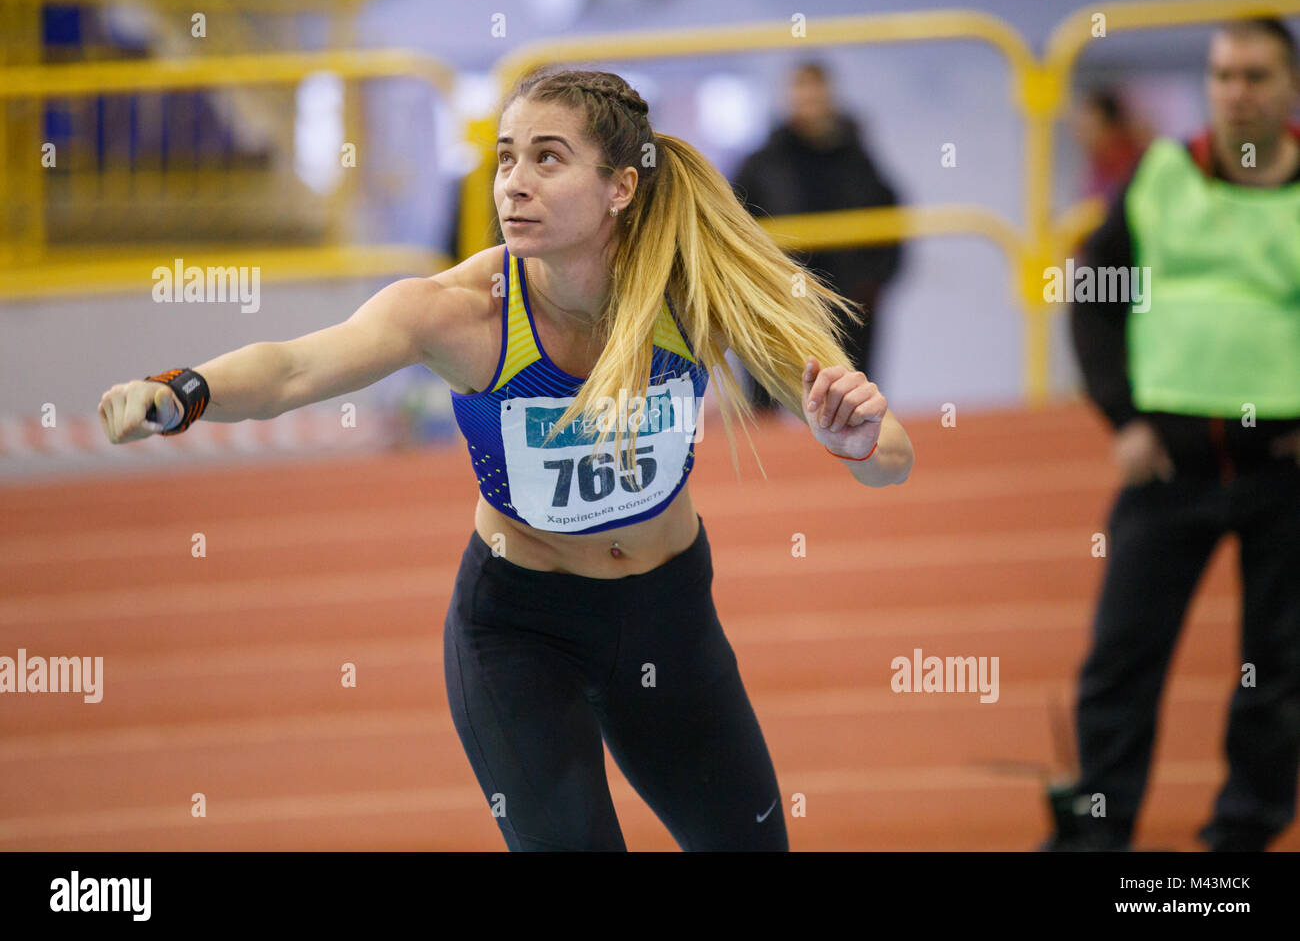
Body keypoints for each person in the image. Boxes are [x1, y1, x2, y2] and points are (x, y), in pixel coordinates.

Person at [97, 67, 915, 851]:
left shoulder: (694, 290)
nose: (513, 183)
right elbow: (295, 367)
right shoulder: (458, 314)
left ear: (620, 186)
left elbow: (890, 456)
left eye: (547, 158)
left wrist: (859, 444)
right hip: (520, 632)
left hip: (669, 618)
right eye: (506, 158)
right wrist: (183, 391)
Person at [1052, 18, 1300, 852]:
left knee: (1280, 672)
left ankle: (1242, 839)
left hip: (1285, 469)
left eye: (1257, 75)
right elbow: (1094, 296)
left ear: (1289, 87)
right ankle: (1097, 832)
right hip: (1170, 466)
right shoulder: (1159, 176)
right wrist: (1121, 417)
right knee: (1121, 660)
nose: (1238, 91)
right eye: (1224, 74)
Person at [731, 61, 904, 411]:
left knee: (855, 405)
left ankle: (857, 464)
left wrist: (874, 282)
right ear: (789, 99)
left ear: (829, 97)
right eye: (801, 94)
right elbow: (733, 224)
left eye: (816, 94)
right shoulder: (762, 164)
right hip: (778, 300)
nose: (809, 103)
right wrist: (750, 289)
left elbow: (890, 217)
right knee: (765, 406)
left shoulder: (858, 160)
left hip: (848, 301)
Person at [1069, 87, 1150, 202]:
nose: (1080, 135)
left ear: (1111, 126)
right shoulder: (1099, 167)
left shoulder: (1130, 163)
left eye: (1089, 127)